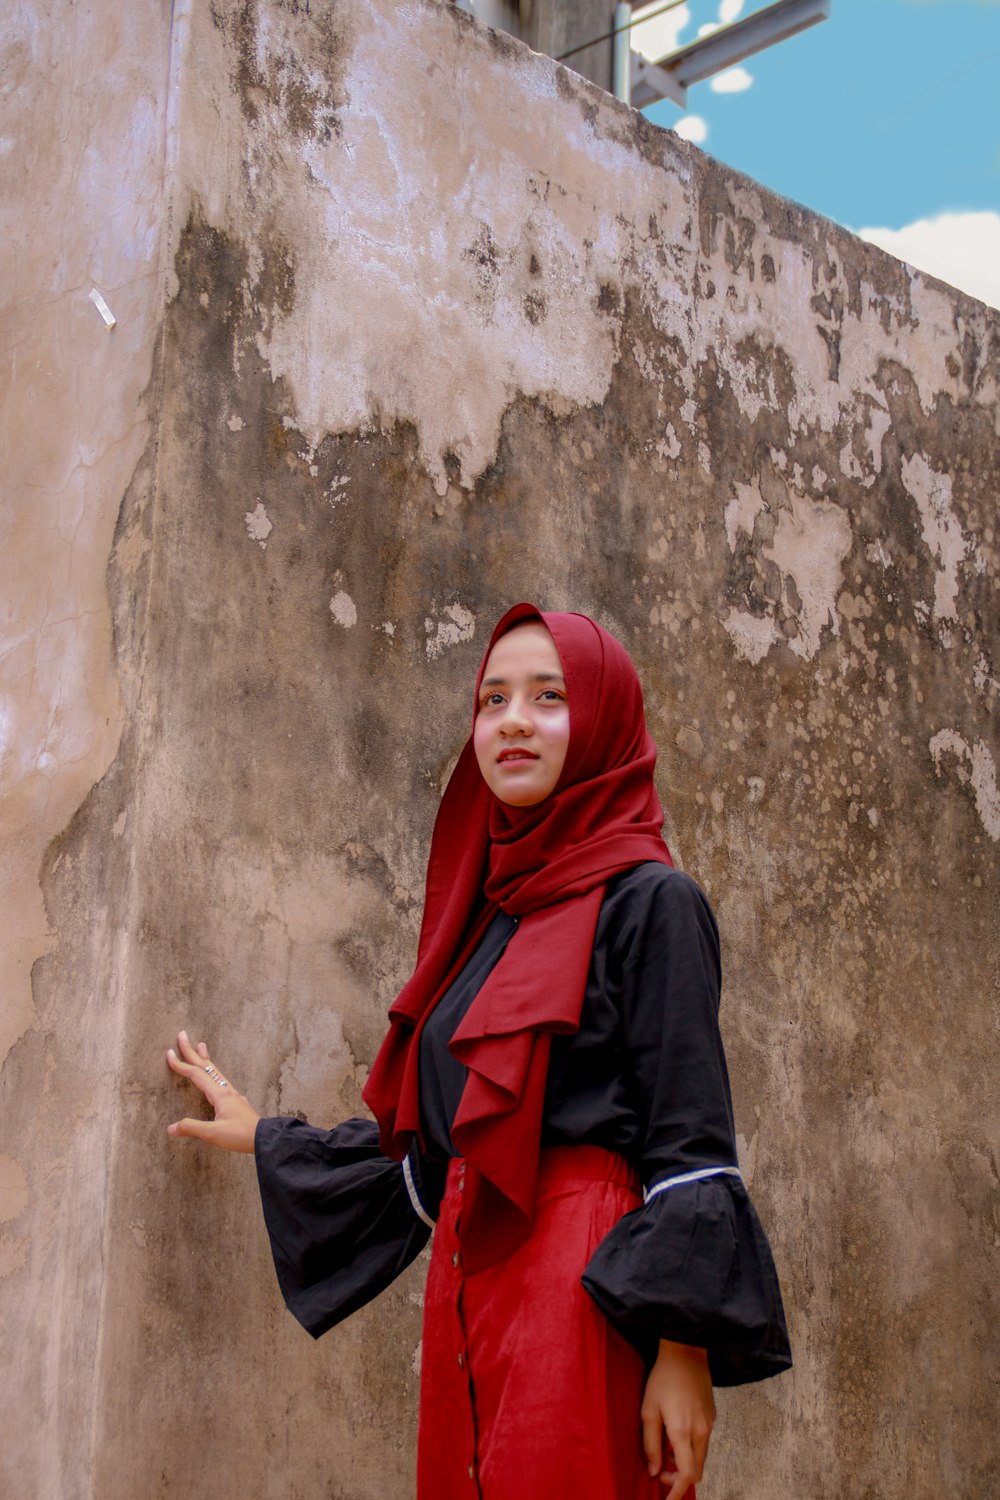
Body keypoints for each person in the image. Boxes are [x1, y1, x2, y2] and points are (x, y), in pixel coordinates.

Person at [166, 603, 791, 1499]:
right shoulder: (487, 927)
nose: (512, 720)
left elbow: (689, 1143)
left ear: (604, 717)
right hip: (469, 1285)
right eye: (492, 698)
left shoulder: (655, 902)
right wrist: (266, 1136)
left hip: (587, 1284)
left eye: (548, 696)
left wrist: (683, 1351)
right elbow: (442, 1154)